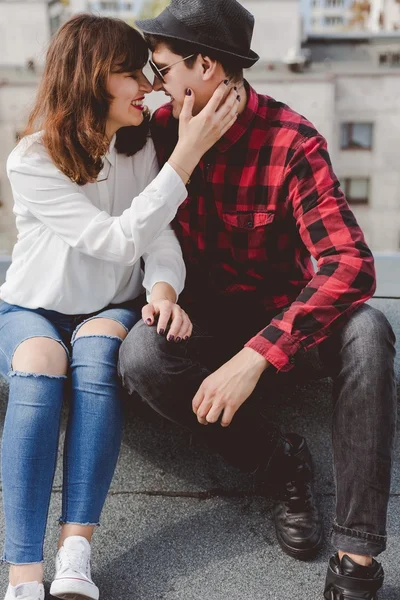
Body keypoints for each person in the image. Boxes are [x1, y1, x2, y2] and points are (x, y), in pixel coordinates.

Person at [118, 1, 397, 598]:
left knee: (370, 331)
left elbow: (350, 263)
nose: (153, 82)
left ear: (209, 67)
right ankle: (280, 464)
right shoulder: (158, 132)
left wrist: (258, 357)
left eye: (162, 68)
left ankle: (357, 560)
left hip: (284, 314)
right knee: (139, 355)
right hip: (202, 317)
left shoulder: (291, 140)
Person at [0, 13, 239, 600]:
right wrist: (187, 157)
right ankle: (23, 571)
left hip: (110, 305)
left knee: (98, 352)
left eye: (148, 71)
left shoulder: (138, 149)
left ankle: (76, 550)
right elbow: (114, 241)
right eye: (132, 73)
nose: (149, 85)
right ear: (88, 79)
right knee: (39, 365)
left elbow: (158, 239)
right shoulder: (32, 159)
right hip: (35, 306)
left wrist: (162, 292)